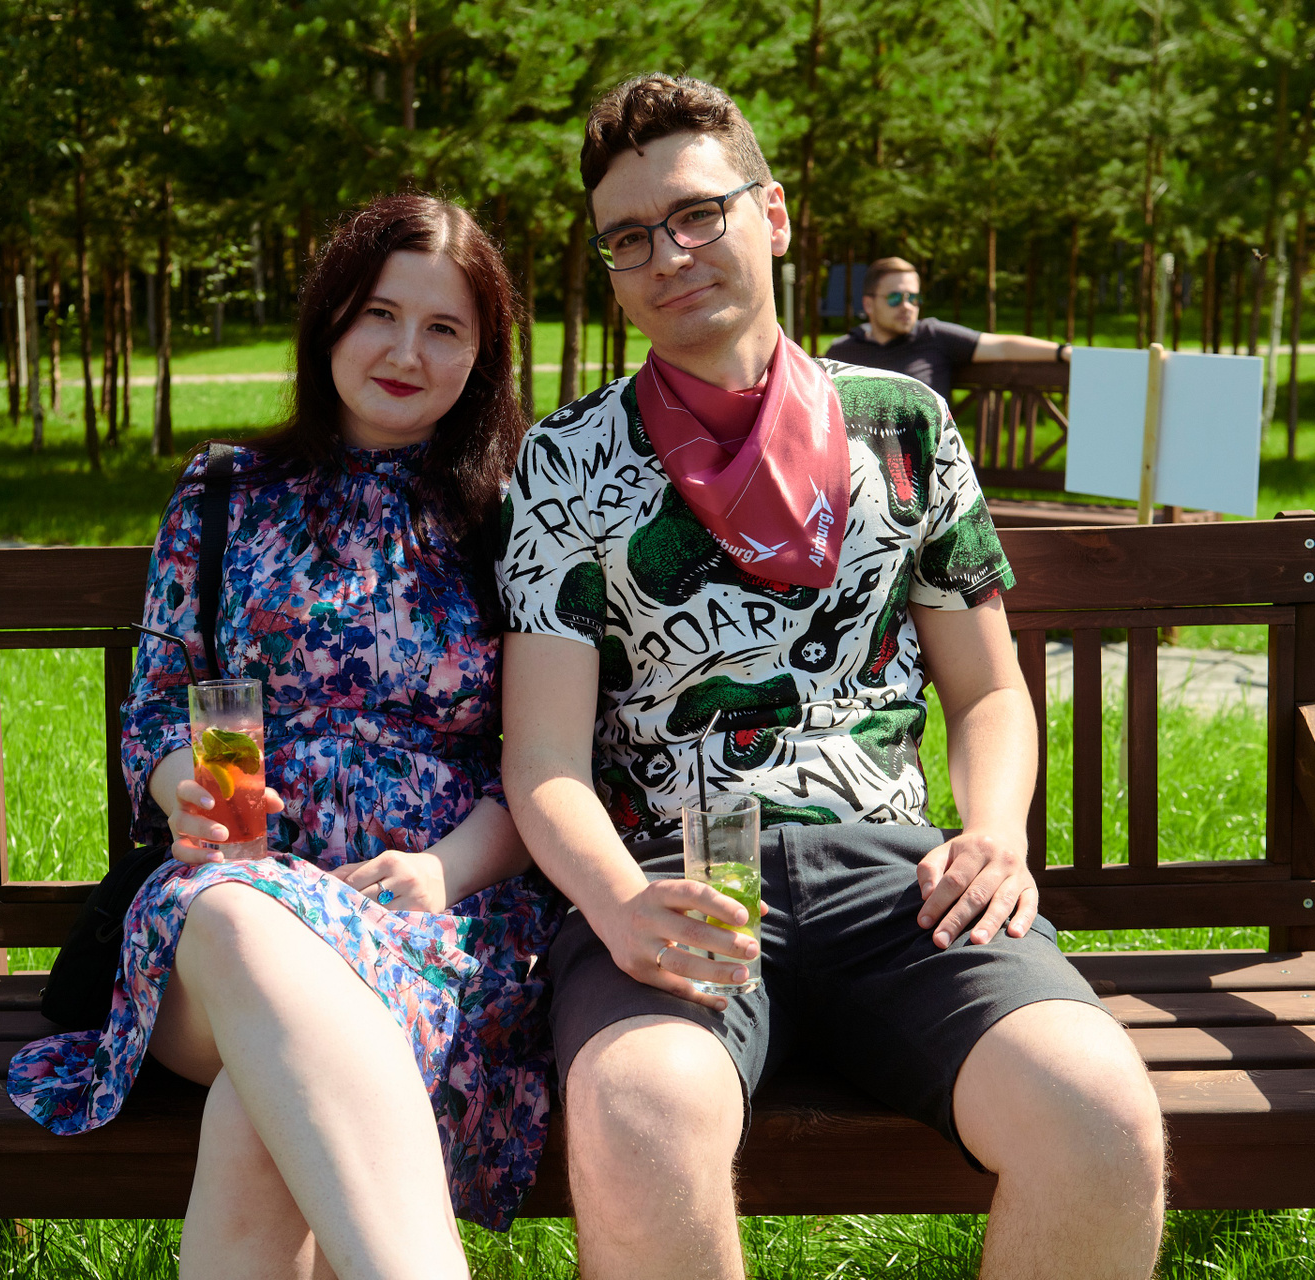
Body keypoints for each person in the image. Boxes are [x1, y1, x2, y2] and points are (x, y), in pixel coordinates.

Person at [497, 74, 1165, 1280]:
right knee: (640, 1112)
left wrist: (996, 833)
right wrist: (618, 902)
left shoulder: (905, 426)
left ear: (774, 214)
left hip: (898, 883)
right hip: (673, 881)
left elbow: (989, 691)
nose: (668, 255)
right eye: (630, 238)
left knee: (1098, 1108)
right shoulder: (565, 458)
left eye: (698, 214)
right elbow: (542, 756)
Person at [7, 194, 561, 1279]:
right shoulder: (226, 494)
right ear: (329, 321)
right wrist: (187, 790)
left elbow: (549, 755)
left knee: (262, 1107)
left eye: (444, 328)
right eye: (379, 315)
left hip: (441, 919)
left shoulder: (516, 520)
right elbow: (161, 704)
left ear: (483, 356)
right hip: (229, 901)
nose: (406, 352)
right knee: (240, 917)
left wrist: (444, 871)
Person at [825, 255, 1071, 403]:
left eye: (914, 298)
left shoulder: (933, 337)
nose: (907, 306)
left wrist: (1062, 351)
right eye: (895, 298)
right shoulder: (842, 352)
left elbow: (1002, 347)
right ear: (869, 304)